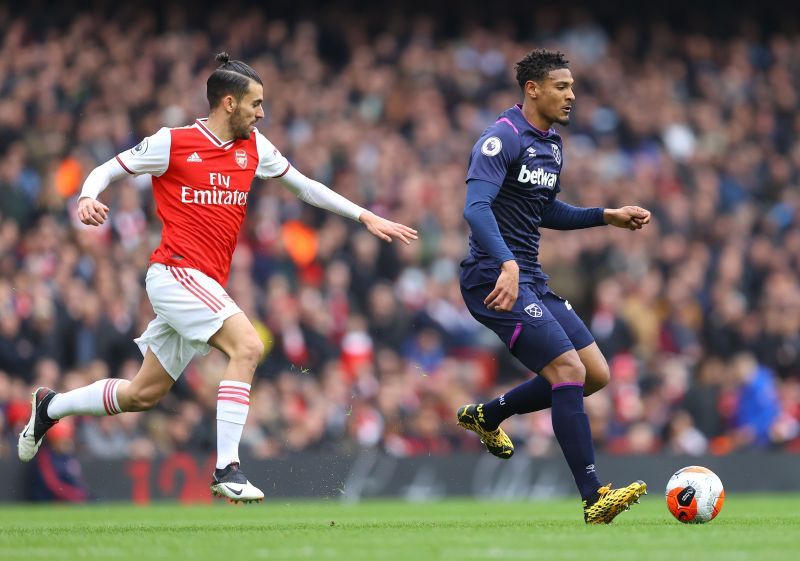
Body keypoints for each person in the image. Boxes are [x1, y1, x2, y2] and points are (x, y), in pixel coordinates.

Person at [18, 53, 418, 503]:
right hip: (173, 273)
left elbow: (304, 186)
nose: (262, 113)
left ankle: (51, 405)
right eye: (256, 104)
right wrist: (88, 196)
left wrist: (364, 215)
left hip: (205, 283)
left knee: (141, 394)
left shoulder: (256, 148)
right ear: (229, 103)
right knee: (247, 345)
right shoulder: (173, 142)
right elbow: (107, 168)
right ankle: (227, 467)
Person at [456, 49, 650, 524]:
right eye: (562, 87)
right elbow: (475, 208)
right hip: (492, 277)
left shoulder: (552, 146)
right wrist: (505, 263)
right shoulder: (500, 138)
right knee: (567, 371)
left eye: (572, 87)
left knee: (596, 374)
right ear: (533, 89)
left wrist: (607, 215)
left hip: (530, 277)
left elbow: (546, 212)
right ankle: (593, 496)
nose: (572, 95)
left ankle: (488, 414)